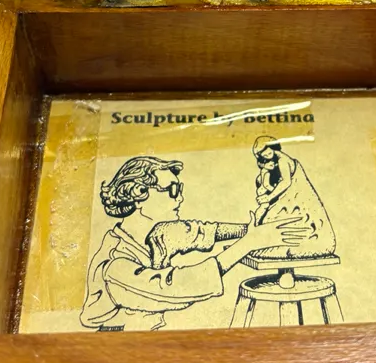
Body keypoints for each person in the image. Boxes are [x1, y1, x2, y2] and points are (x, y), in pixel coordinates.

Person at [80, 155, 308, 331]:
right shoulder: (114, 262)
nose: (179, 198)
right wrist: (247, 244)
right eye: (172, 190)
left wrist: (251, 229)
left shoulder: (157, 234)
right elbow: (171, 287)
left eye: (179, 189)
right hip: (117, 347)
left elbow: (202, 231)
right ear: (139, 194)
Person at [252, 137, 336, 259]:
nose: (267, 155)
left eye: (268, 151)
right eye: (263, 154)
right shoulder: (272, 164)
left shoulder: (283, 160)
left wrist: (269, 198)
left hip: (296, 198)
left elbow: (286, 182)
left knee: (276, 224)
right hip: (287, 199)